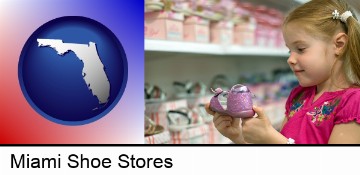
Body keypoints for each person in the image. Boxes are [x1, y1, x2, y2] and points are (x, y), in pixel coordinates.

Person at [205, 0, 360, 144]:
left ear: (339, 45)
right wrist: (238, 136)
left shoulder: (353, 102)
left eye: (300, 49)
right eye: (289, 51)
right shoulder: (299, 95)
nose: (290, 59)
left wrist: (272, 139)